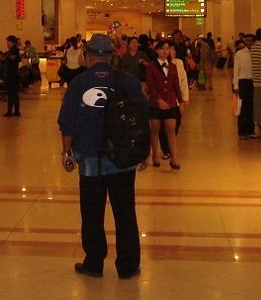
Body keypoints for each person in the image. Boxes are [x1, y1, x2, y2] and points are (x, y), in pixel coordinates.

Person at [57, 34, 147, 280]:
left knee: (92, 214)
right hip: (122, 160)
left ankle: (94, 263)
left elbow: (67, 123)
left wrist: (67, 153)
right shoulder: (127, 81)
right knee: (125, 213)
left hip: (90, 161)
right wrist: (143, 153)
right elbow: (142, 117)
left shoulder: (78, 83)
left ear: (87, 56)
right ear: (111, 56)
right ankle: (128, 266)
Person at [145, 40, 186, 169]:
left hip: (170, 102)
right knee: (155, 129)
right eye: (162, 48)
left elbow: (176, 85)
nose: (165, 51)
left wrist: (181, 101)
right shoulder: (151, 66)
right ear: (156, 51)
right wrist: (158, 100)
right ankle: (155, 154)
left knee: (171, 129)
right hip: (156, 104)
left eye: (167, 49)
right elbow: (150, 86)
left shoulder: (173, 66)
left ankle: (174, 157)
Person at [232, 33, 256, 139]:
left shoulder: (256, 53)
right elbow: (236, 70)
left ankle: (251, 130)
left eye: (251, 40)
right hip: (243, 82)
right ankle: (242, 131)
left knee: (252, 108)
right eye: (247, 40)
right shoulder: (240, 54)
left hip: (254, 82)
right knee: (242, 107)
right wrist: (235, 84)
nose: (248, 42)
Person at [3, 35, 22, 117]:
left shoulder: (14, 51)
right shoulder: (11, 51)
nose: (7, 44)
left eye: (8, 42)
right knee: (14, 94)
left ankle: (10, 111)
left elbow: (15, 59)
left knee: (12, 93)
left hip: (12, 75)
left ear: (13, 42)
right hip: (12, 74)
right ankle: (16, 110)